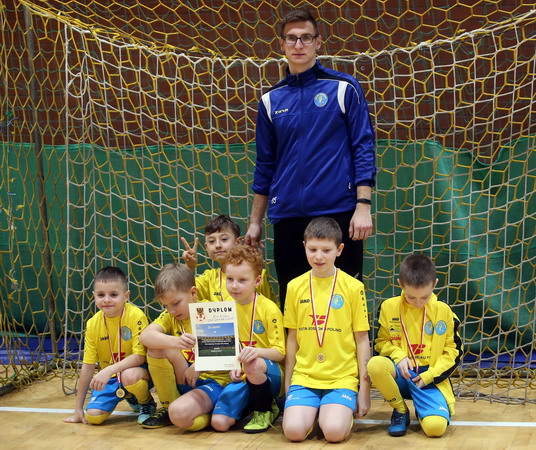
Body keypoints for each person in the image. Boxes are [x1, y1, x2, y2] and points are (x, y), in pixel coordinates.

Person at [245, 8, 377, 309]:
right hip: (288, 217)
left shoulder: (344, 88)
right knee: (294, 306)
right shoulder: (270, 101)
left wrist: (363, 205)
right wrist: (255, 222)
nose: (298, 44)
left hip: (338, 212)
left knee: (344, 305)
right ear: (281, 45)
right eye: (291, 38)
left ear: (318, 42)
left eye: (306, 37)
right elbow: (265, 164)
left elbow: (363, 147)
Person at [282, 217, 371, 443]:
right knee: (293, 432)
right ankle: (314, 413)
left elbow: (362, 340)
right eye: (312, 249)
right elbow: (291, 338)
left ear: (339, 250)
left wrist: (364, 390)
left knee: (333, 432)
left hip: (341, 378)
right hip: (305, 376)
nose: (318, 256)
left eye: (326, 250)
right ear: (304, 247)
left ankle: (330, 414)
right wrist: (288, 382)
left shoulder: (353, 287)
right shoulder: (294, 287)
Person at [367, 254, 462, 438]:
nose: (418, 303)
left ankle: (425, 407)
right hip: (401, 374)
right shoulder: (388, 307)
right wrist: (398, 355)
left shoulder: (444, 312)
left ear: (434, 284)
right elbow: (380, 342)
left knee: (435, 429)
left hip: (428, 378)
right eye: (411, 297)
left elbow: (453, 352)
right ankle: (400, 410)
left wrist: (430, 375)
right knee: (375, 364)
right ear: (400, 284)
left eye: (424, 297)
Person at [138, 263, 231, 430]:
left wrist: (200, 365)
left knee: (180, 415)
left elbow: (226, 352)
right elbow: (145, 336)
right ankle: (168, 407)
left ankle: (207, 414)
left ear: (193, 292)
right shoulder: (171, 316)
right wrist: (176, 342)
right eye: (166, 305)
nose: (171, 310)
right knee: (156, 346)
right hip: (187, 377)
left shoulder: (211, 310)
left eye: (175, 303)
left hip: (214, 382)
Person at [64, 266, 156, 425]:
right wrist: (78, 408)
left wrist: (108, 370)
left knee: (129, 376)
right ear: (93, 295)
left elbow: (140, 357)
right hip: (112, 378)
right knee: (93, 417)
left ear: (126, 296)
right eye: (101, 295)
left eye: (113, 295)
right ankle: (129, 395)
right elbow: (88, 366)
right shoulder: (93, 323)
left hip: (139, 372)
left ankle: (146, 402)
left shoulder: (136, 316)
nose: (106, 300)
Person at [211, 245, 285, 433]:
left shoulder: (269, 309)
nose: (234, 286)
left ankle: (264, 410)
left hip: (271, 373)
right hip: (243, 375)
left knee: (253, 363)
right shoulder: (224, 308)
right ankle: (256, 403)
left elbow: (280, 353)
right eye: (230, 279)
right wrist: (234, 364)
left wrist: (255, 352)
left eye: (242, 280)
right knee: (219, 423)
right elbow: (227, 346)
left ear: (257, 281)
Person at [182, 214, 276, 305]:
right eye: (212, 241)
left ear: (238, 242)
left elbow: (269, 307)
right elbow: (183, 294)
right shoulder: (208, 279)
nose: (218, 245)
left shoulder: (257, 274)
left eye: (224, 239)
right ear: (206, 247)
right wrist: (189, 267)